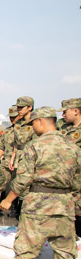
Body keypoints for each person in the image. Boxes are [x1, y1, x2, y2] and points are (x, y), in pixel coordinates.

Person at [0, 107, 81, 259]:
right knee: (65, 257)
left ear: (41, 121)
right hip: (64, 207)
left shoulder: (34, 146)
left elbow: (24, 179)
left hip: (38, 206)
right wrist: (73, 204)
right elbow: (78, 183)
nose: (32, 128)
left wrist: (8, 199)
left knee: (25, 253)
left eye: (33, 124)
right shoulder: (74, 148)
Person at [8, 96, 36, 219]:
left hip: (29, 156)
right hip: (19, 156)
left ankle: (26, 214)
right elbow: (16, 143)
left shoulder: (35, 122)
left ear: (30, 107)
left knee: (27, 186)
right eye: (18, 107)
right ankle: (18, 211)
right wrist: (12, 158)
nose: (18, 109)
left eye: (21, 107)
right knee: (17, 183)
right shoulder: (18, 123)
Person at [57, 98, 81, 237]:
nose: (63, 115)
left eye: (65, 112)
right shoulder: (65, 128)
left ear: (76, 111)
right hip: (67, 176)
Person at [0, 107, 19, 211]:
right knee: (0, 182)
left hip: (18, 162)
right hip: (6, 161)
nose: (12, 119)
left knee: (16, 185)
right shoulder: (7, 131)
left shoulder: (22, 131)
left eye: (14, 117)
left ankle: (14, 208)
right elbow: (1, 146)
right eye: (11, 117)